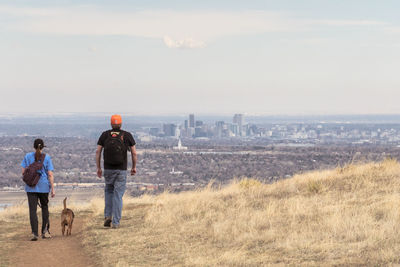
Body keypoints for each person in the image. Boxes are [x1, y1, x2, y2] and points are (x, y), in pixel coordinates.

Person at [96, 114, 137, 228]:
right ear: (121, 124)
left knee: (109, 192)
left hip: (108, 169)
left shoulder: (105, 135)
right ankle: (116, 222)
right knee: (118, 195)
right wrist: (133, 167)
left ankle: (108, 216)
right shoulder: (127, 135)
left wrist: (99, 167)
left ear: (111, 124)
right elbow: (134, 153)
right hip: (121, 170)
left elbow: (98, 152)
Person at [21, 138, 55, 241]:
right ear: (43, 147)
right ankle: (45, 232)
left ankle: (34, 234)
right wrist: (52, 188)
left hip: (31, 187)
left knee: (32, 210)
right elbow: (50, 174)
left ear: (34, 147)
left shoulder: (27, 157)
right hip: (44, 187)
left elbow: (23, 172)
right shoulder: (47, 158)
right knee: (44, 208)